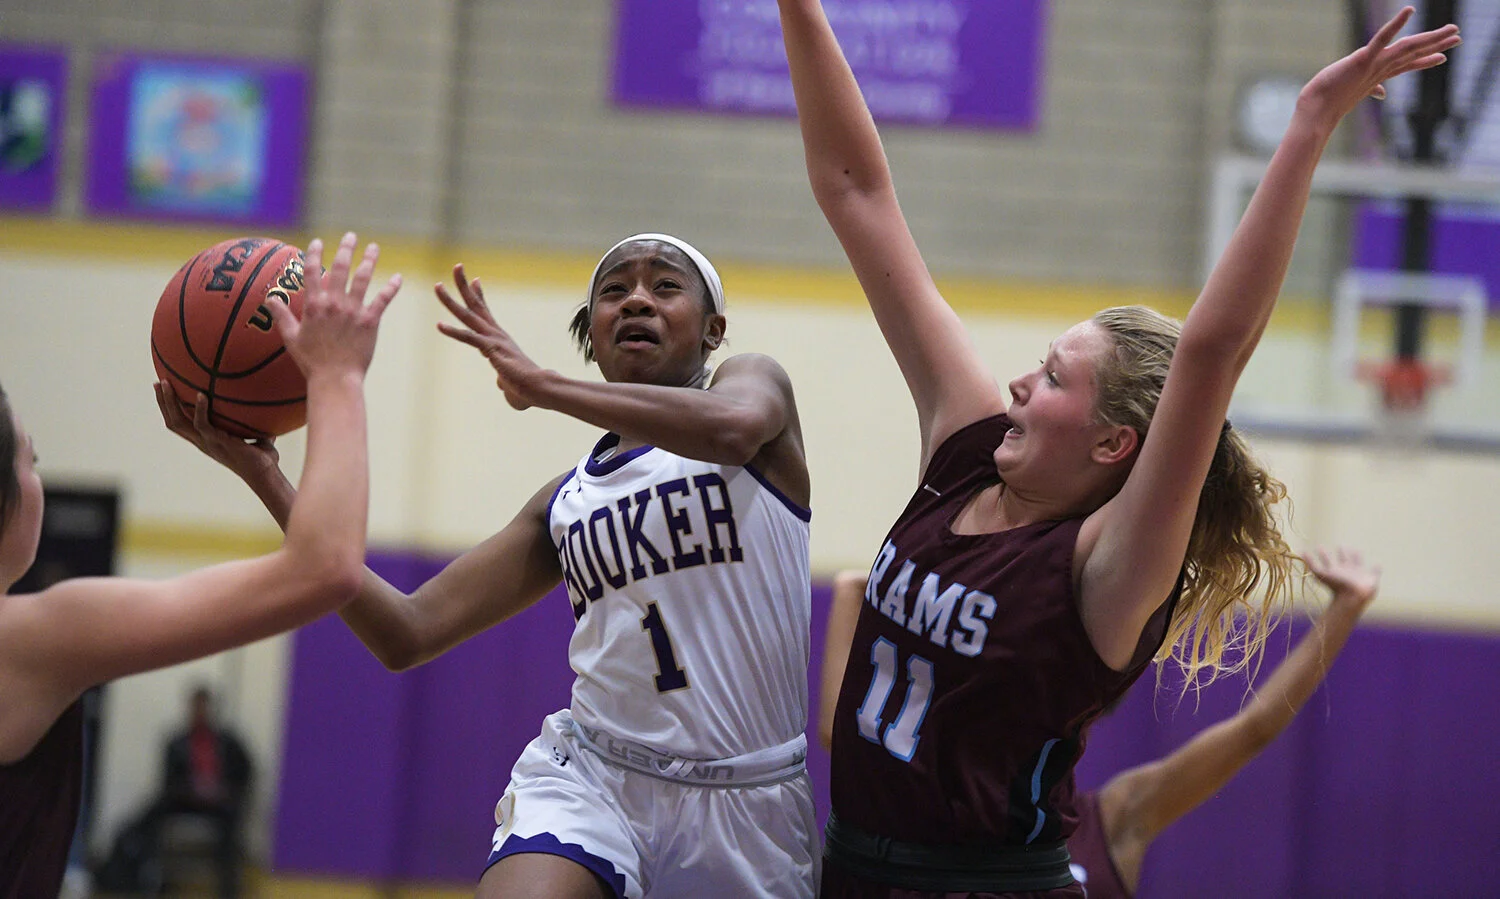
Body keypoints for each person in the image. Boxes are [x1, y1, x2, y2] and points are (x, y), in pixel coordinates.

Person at [775, 2, 1458, 895]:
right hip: (852, 866)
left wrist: (1310, 125)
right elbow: (856, 191)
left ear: (1113, 442)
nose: (1019, 382)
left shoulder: (1109, 565)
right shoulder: (967, 448)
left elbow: (1212, 351)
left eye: (1053, 376)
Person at [166, 233, 818, 899]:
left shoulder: (754, 389)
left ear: (714, 330)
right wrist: (266, 475)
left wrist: (543, 385)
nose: (637, 301)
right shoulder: (565, 502)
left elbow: (733, 425)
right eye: (614, 291)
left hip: (748, 799)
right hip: (593, 775)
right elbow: (408, 630)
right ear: (591, 333)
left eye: (665, 285)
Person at [0, 232, 399, 899]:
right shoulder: (32, 639)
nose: (37, 477)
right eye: (30, 461)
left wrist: (262, 470)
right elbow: (324, 566)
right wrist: (336, 375)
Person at [818, 547, 1381, 898]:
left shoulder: (1115, 820)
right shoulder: (939, 796)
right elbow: (842, 723)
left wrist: (1345, 609)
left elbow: (1253, 730)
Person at [145, 685, 254, 897]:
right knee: (150, 815)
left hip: (219, 803)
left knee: (232, 822)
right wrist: (192, 791)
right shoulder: (176, 743)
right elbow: (168, 781)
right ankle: (155, 883)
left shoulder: (229, 743)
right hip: (185, 800)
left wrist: (224, 791)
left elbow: (245, 774)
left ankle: (228, 891)